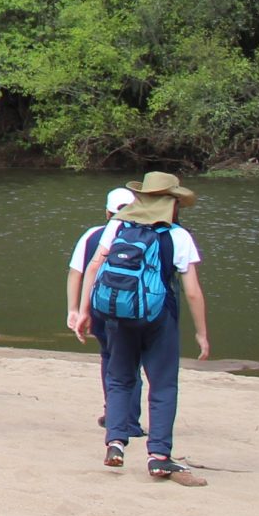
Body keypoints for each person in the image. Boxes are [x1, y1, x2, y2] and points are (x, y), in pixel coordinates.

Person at [68, 172, 211, 483]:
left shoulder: (118, 226)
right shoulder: (177, 236)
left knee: (119, 378)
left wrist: (84, 311)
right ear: (171, 203)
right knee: (162, 385)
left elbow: (95, 265)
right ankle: (159, 456)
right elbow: (192, 291)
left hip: (118, 315)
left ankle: (115, 444)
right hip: (160, 318)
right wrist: (201, 332)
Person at [65, 188, 138, 433]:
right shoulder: (144, 235)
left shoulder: (93, 235)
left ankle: (113, 412)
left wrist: (74, 309)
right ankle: (130, 418)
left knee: (109, 356)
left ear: (107, 212)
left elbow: (77, 272)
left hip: (99, 307)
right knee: (132, 361)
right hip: (134, 308)